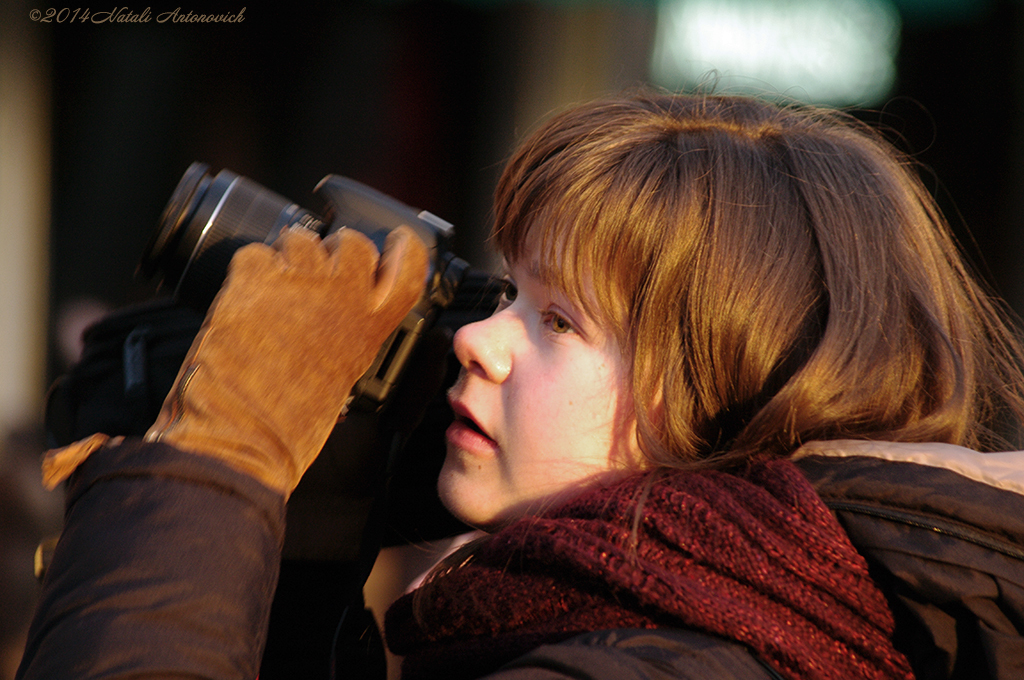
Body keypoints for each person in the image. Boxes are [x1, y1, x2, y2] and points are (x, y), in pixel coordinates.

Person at [15, 90, 1024, 679]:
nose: (479, 342)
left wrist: (215, 454)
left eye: (557, 320)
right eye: (506, 294)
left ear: (724, 391)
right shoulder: (709, 621)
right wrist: (305, 541)